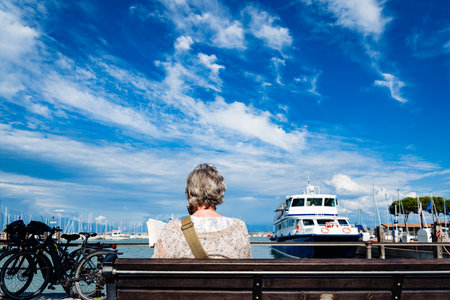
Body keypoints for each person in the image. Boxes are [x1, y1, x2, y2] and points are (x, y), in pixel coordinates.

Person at [152, 163, 251, 259]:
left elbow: (155, 269)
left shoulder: (172, 229)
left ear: (190, 193)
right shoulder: (239, 228)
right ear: (220, 192)